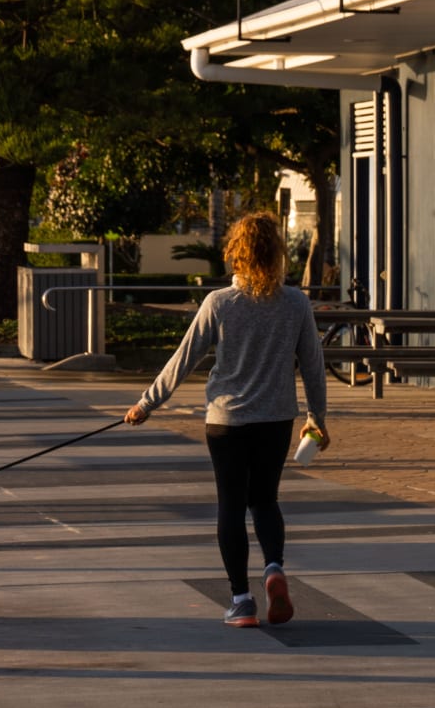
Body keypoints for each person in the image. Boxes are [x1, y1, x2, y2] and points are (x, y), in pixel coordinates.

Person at [125, 212, 328, 629]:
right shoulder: (296, 303)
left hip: (227, 421)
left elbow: (183, 359)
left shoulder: (219, 303)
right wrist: (317, 417)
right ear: (277, 255)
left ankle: (241, 601)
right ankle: (273, 567)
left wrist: (146, 404)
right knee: (266, 499)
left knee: (231, 505)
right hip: (276, 419)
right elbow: (313, 365)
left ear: (236, 254)